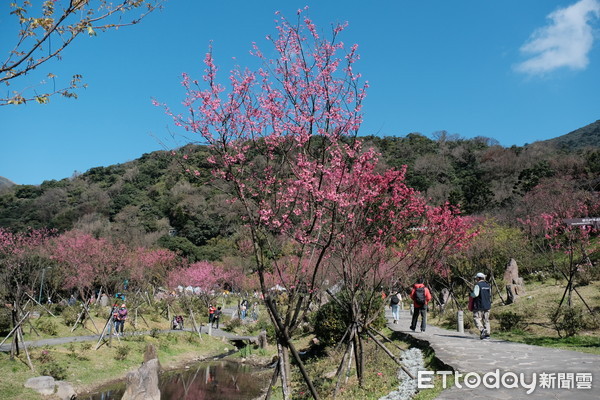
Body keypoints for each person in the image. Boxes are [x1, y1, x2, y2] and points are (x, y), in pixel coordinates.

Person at [470, 272, 492, 340]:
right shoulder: (487, 285)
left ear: (478, 278)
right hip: (487, 305)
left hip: (479, 305)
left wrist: (471, 294)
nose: (476, 279)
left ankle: (482, 330)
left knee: (476, 318)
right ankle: (487, 334)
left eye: (476, 278)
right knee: (486, 320)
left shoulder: (478, 285)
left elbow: (475, 294)